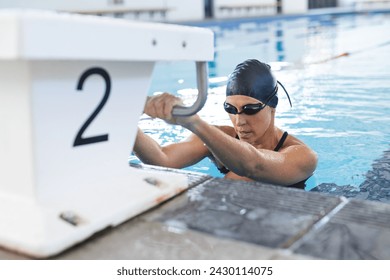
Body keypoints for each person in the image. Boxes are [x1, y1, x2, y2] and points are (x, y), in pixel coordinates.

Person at [133, 59, 318, 188]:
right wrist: (126, 119)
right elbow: (162, 159)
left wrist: (193, 122)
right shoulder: (218, 138)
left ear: (272, 106)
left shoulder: (303, 156)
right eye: (230, 109)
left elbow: (253, 165)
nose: (240, 121)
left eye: (250, 109)